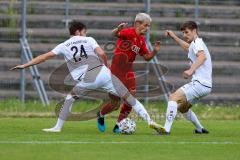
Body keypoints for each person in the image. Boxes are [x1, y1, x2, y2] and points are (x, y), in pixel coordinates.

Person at [10, 20, 165, 133]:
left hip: (87, 79)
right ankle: (150, 121)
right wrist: (106, 67)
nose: (85, 34)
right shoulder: (89, 39)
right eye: (84, 31)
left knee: (69, 99)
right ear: (79, 32)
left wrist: (25, 65)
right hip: (103, 73)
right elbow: (102, 53)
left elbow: (44, 57)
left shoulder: (63, 45)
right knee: (130, 98)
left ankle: (57, 127)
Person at [96, 13, 161, 133]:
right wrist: (118, 29)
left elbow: (146, 57)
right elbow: (114, 34)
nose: (147, 28)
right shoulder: (128, 32)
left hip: (129, 72)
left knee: (131, 99)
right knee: (115, 104)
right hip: (115, 72)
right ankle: (100, 114)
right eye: (146, 25)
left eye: (149, 26)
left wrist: (155, 51)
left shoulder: (141, 40)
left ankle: (119, 124)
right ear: (138, 24)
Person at [159, 21, 212, 135]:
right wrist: (174, 36)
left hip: (200, 83)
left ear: (194, 31)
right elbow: (188, 48)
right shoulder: (195, 44)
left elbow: (202, 57)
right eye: (183, 33)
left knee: (173, 97)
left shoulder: (197, 42)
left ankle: (166, 129)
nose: (185, 35)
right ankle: (200, 129)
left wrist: (190, 70)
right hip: (206, 86)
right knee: (183, 108)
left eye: (187, 32)